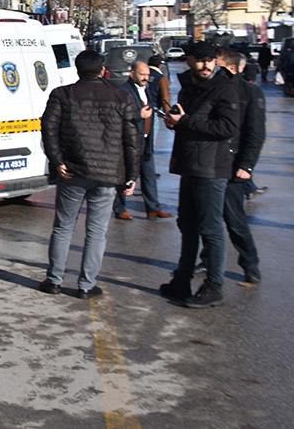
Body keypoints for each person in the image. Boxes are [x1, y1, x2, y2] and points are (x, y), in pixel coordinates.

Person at [39, 50, 138, 299]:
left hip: (72, 171)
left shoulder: (61, 94)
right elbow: (132, 141)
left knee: (63, 227)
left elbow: (48, 128)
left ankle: (54, 281)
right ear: (103, 69)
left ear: (77, 70)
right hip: (107, 174)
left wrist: (57, 159)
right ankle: (86, 285)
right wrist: (131, 175)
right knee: (96, 231)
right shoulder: (122, 97)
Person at [159, 41, 241, 308]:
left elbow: (227, 127)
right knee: (188, 225)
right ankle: (182, 280)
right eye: (201, 60)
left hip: (211, 168)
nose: (206, 65)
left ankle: (214, 286)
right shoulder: (189, 87)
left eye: (210, 61)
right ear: (189, 61)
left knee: (211, 228)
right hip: (189, 164)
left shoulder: (224, 88)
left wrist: (184, 122)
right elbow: (189, 123)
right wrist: (174, 123)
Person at [216, 48, 265, 285]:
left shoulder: (250, 93)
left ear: (232, 68)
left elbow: (255, 134)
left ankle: (250, 263)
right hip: (210, 164)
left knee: (234, 219)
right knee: (207, 219)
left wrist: (247, 165)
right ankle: (209, 260)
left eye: (218, 65)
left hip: (234, 166)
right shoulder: (212, 89)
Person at [112, 61, 171, 220]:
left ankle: (153, 208)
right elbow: (118, 114)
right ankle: (120, 208)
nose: (145, 78)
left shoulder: (147, 89)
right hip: (130, 141)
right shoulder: (123, 91)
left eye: (147, 75)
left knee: (149, 175)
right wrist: (139, 115)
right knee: (125, 175)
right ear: (132, 74)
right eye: (142, 75)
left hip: (146, 140)